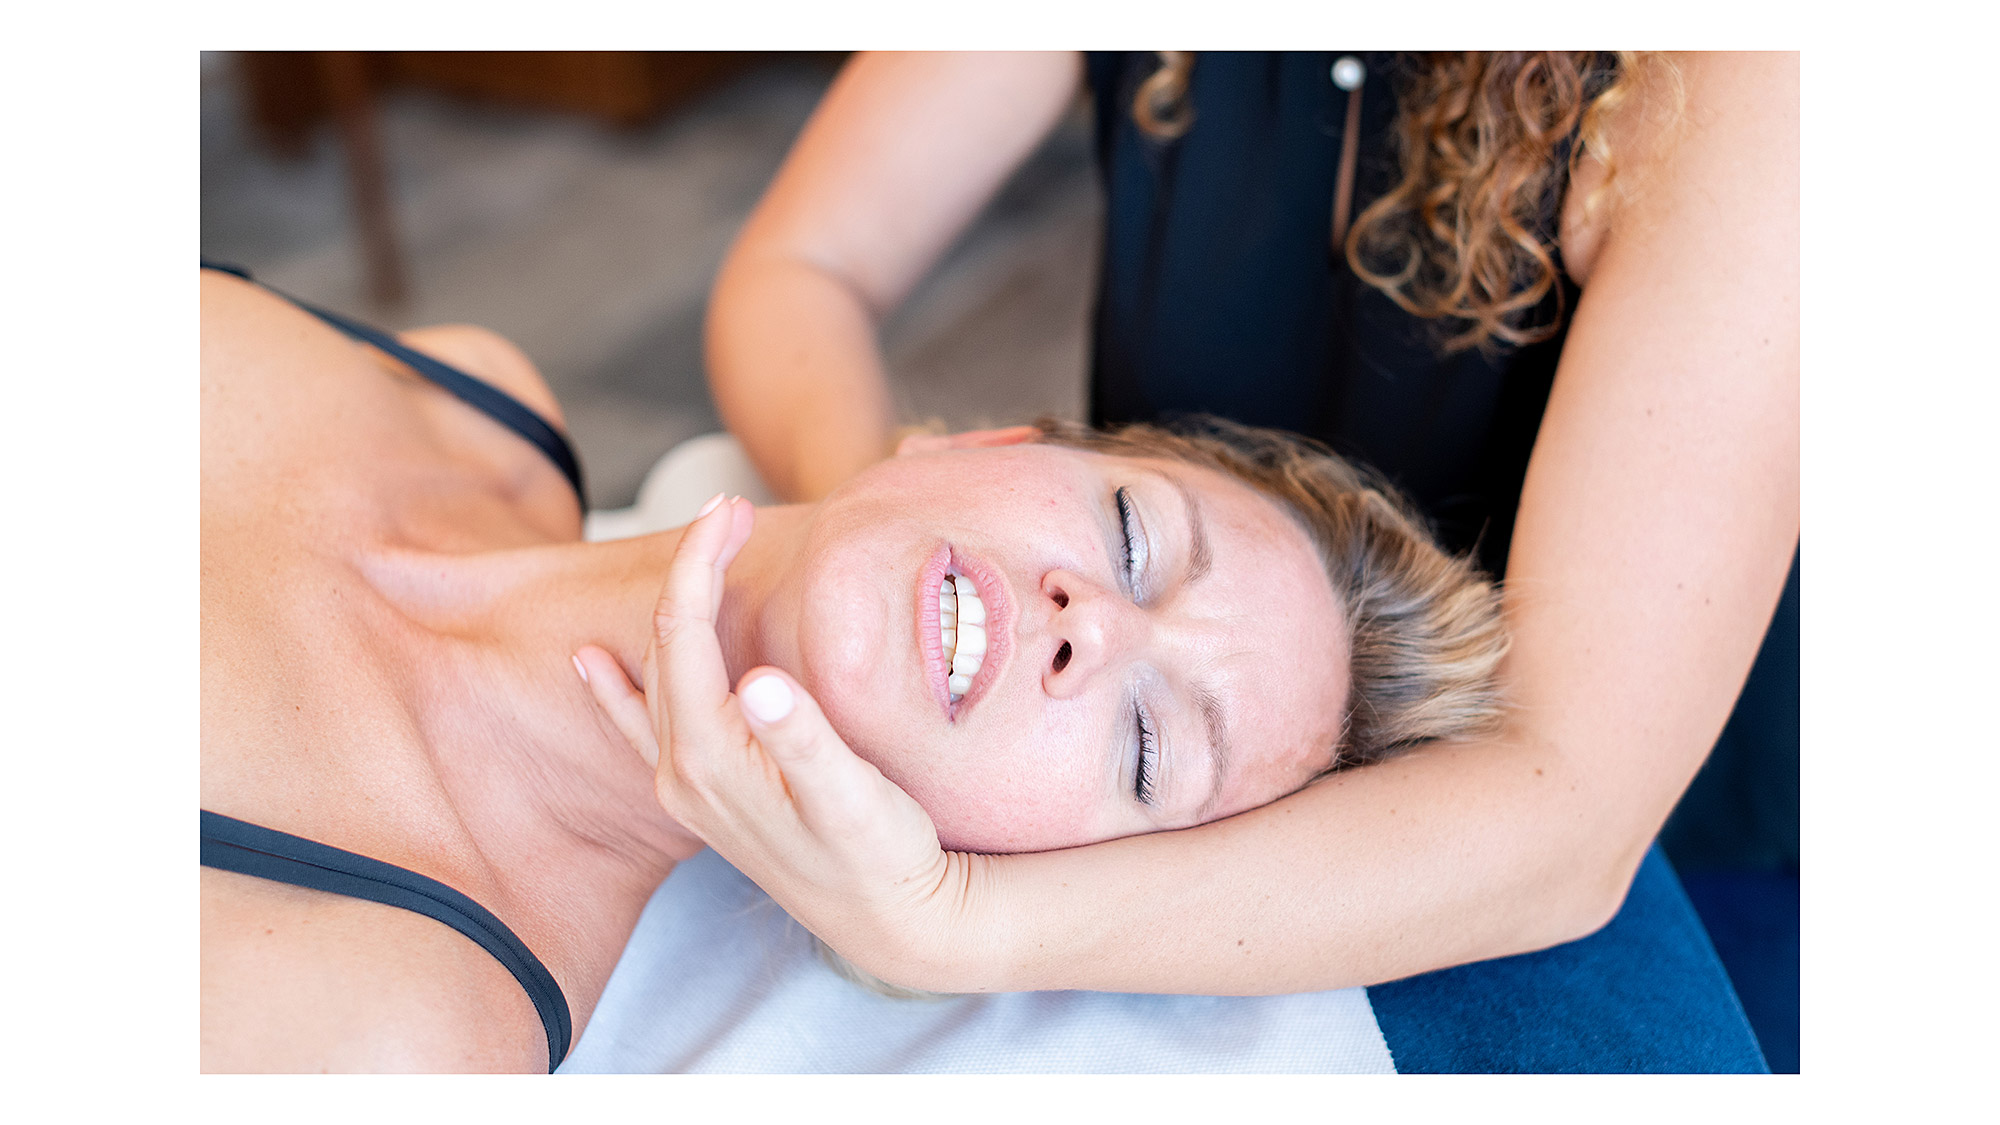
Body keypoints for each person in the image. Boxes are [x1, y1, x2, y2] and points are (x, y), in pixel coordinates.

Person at [667, 50, 1798, 1030]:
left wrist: (949, 926)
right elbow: (804, 269)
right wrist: (903, 544)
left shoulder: (1750, 83)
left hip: (1587, 856)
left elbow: (1568, 819)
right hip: (1107, 758)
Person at [197, 262, 1506, 1071]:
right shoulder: (472, 398)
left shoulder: (398, 1023)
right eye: (1129, 534)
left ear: (1032, 874)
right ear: (977, 442)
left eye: (1150, 747)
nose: (1088, 625)